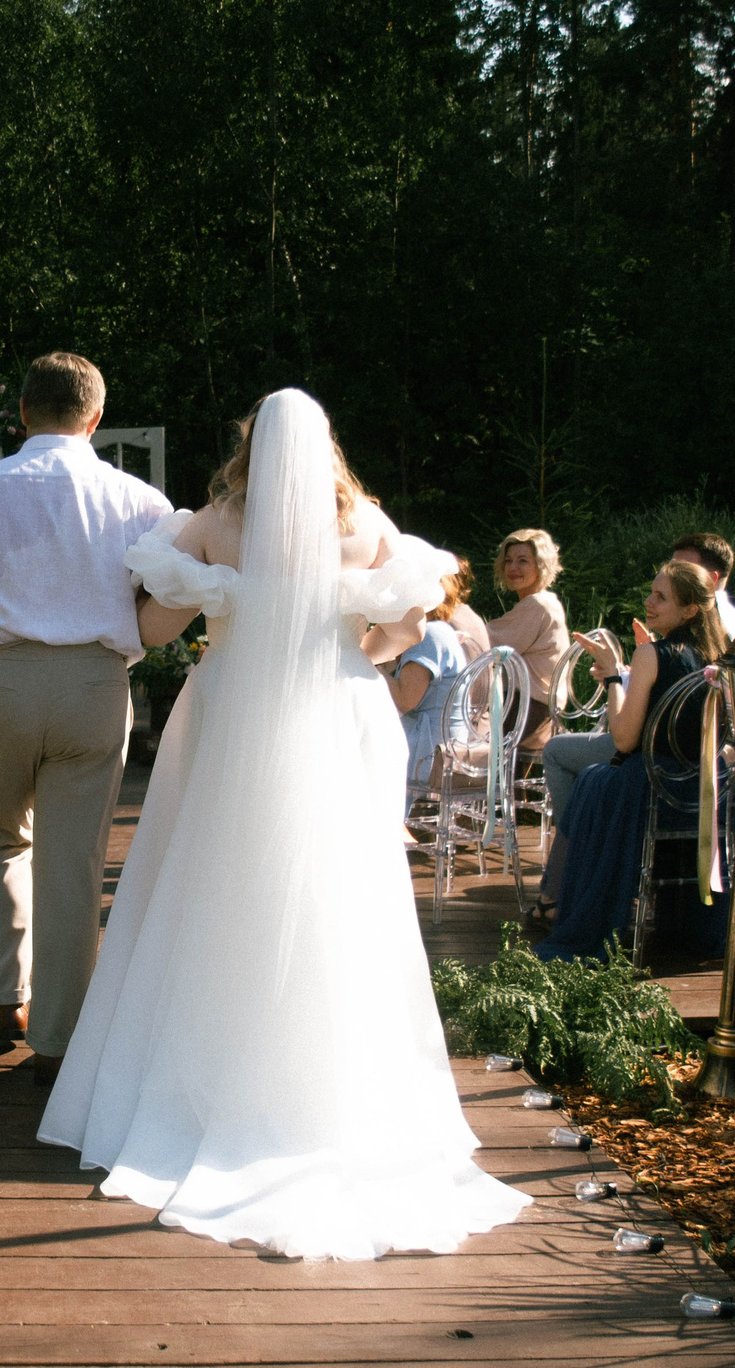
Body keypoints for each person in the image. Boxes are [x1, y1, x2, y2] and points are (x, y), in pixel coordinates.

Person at [37, 388, 530, 1260]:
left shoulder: (215, 522)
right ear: (328, 445)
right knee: (345, 896)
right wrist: (338, 644)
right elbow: (404, 631)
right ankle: (332, 1085)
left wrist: (223, 612)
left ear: (251, 444)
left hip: (232, 713)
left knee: (210, 881)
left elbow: (153, 625)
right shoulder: (367, 523)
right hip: (340, 715)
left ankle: (198, 1084)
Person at [0, 352, 173, 1073]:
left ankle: (4, 994)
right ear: (95, 418)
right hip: (94, 684)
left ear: (23, 413)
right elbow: (170, 599)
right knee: (74, 864)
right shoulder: (142, 502)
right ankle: (60, 1036)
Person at [529, 560, 731, 957]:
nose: (648, 601)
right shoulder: (718, 655)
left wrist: (609, 676)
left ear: (690, 610)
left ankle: (560, 898)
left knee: (590, 778)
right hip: (703, 789)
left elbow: (623, 739)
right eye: (651, 593)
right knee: (594, 775)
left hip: (650, 786)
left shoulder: (652, 654)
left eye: (661, 597)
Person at [391, 580, 471, 816]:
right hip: (449, 743)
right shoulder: (442, 631)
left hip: (431, 753)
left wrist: (367, 663)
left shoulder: (429, 637)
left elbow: (405, 700)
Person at [487, 528, 569, 748]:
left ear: (541, 566)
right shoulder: (546, 602)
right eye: (509, 560)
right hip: (540, 711)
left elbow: (485, 645)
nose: (513, 568)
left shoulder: (537, 606)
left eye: (523, 561)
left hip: (527, 714)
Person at [671, 532, 735, 639]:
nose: (669, 575)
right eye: (671, 567)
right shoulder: (733, 618)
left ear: (710, 579)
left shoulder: (709, 621)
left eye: (683, 570)